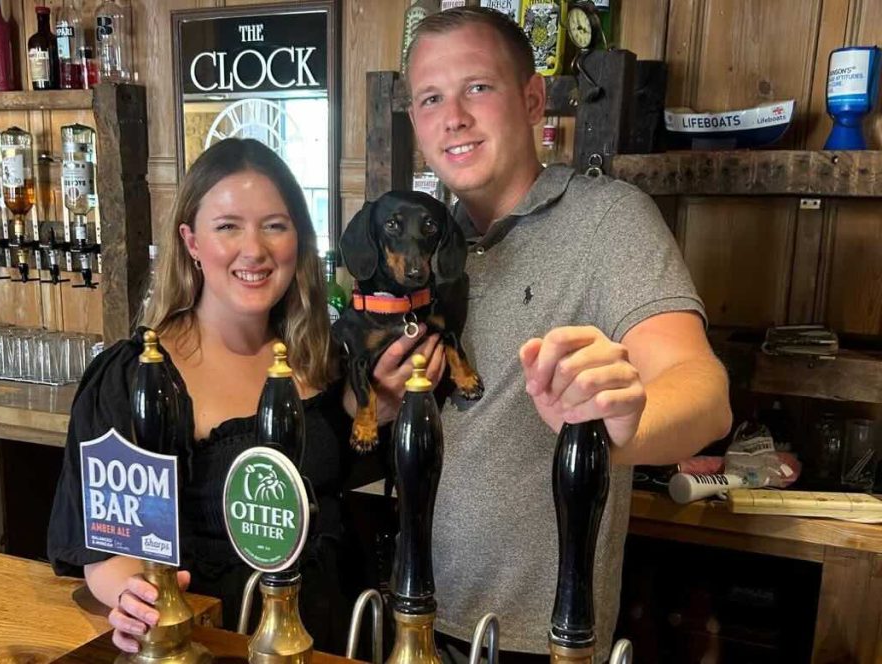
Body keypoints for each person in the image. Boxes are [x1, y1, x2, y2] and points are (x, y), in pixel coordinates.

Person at [368, 7, 733, 662]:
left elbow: (703, 394)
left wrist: (623, 423)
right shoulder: (415, 242)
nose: (452, 116)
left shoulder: (610, 221)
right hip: (411, 618)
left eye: (477, 87)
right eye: (430, 98)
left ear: (533, 98)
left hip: (545, 642)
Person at [47, 138, 387, 656]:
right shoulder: (136, 376)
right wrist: (134, 599)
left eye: (275, 225)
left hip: (331, 637)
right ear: (191, 241)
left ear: (298, 237)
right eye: (228, 226)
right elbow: (106, 546)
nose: (254, 249)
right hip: (209, 640)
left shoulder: (328, 359)